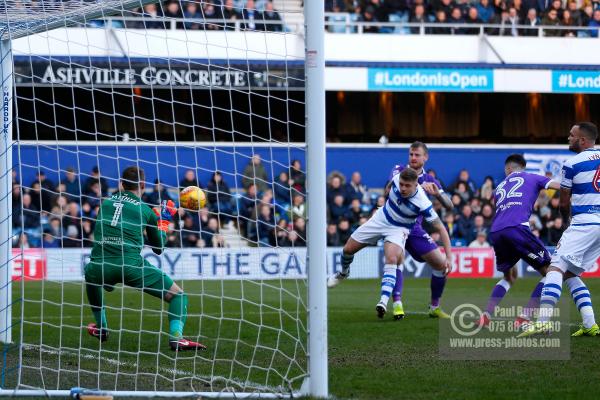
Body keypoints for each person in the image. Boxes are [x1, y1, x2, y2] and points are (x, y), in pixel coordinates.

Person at [84, 166, 206, 351]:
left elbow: (120, 224)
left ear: (122, 184)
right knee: (178, 296)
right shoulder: (145, 209)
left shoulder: (106, 203)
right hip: (130, 266)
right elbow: (158, 248)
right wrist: (163, 221)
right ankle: (176, 338)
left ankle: (102, 327)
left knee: (91, 274)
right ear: (142, 184)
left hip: (100, 266)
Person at [327, 168, 452, 320]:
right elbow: (389, 186)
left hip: (399, 229)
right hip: (381, 218)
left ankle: (383, 302)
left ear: (415, 185)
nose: (403, 188)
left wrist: (449, 258)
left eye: (407, 186)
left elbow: (441, 229)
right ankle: (344, 273)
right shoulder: (398, 177)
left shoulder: (423, 202)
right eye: (402, 185)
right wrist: (387, 194)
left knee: (392, 259)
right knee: (348, 249)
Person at [520, 122, 600, 337]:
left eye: (571, 135)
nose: (568, 138)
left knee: (555, 268)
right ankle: (590, 324)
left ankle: (543, 321)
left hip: (584, 222)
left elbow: (564, 202)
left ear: (582, 140)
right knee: (571, 273)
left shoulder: (572, 163)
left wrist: (566, 222)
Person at [477, 154, 569, 327]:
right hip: (517, 228)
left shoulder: (499, 188)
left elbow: (511, 205)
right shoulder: (531, 176)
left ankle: (485, 316)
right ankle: (524, 318)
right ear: (521, 168)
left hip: (497, 231)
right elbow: (561, 186)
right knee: (552, 272)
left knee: (510, 276)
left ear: (508, 169)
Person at [388, 141, 455, 320]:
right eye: (411, 154)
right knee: (395, 259)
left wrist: (437, 194)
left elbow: (450, 206)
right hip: (395, 225)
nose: (413, 158)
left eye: (417, 155)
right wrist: (418, 187)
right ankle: (397, 304)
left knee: (441, 266)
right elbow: (393, 187)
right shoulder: (399, 170)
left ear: (426, 157)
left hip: (415, 229)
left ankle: (434, 307)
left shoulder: (431, 180)